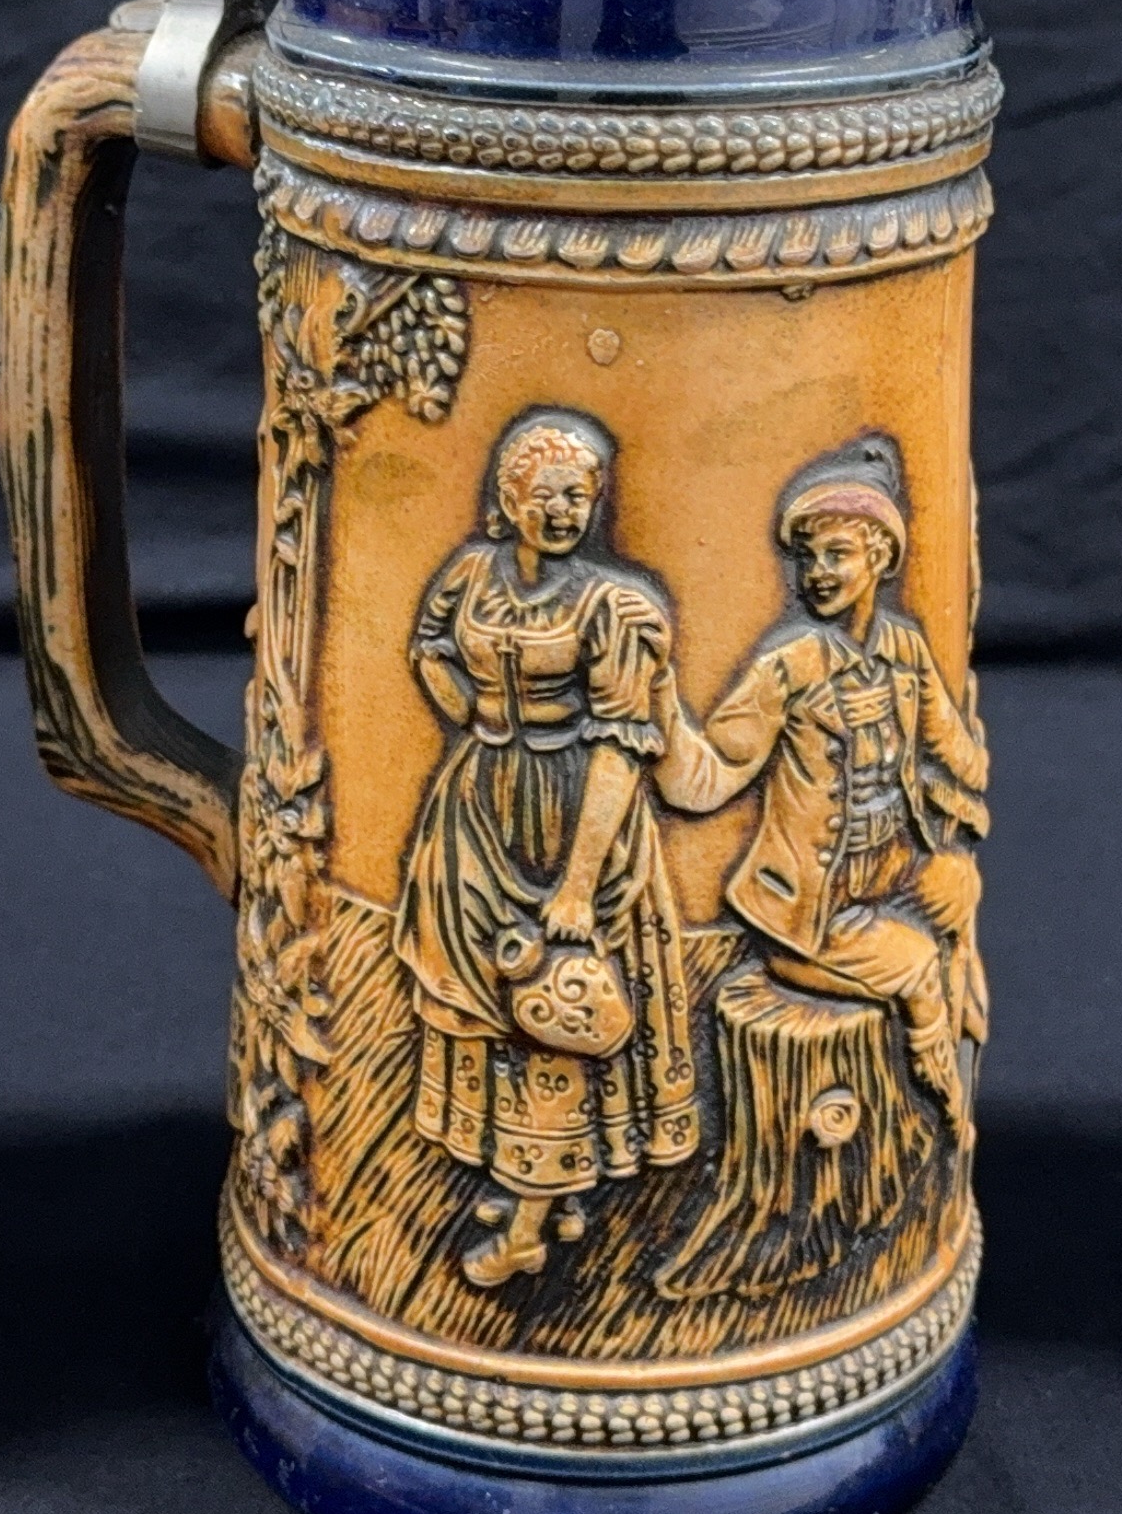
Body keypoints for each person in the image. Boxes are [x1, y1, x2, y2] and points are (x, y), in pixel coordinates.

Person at [394, 411, 701, 1289]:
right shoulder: (470, 574)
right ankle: (526, 1179)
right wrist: (469, 711)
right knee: (488, 1002)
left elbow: (620, 747)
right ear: (509, 498)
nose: (565, 511)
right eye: (548, 495)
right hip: (477, 811)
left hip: (576, 815)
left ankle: (529, 1227)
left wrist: (576, 883)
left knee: (561, 999)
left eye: (580, 497)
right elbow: (429, 644)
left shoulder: (613, 605)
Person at [654, 438, 989, 1137]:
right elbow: (702, 782)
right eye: (808, 558)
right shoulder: (791, 665)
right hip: (811, 906)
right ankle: (940, 1119)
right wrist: (656, 701)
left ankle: (958, 1058)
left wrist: (967, 787)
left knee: (958, 890)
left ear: (880, 559)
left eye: (837, 554)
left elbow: (953, 750)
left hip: (886, 873)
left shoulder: (903, 651)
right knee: (918, 965)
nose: (816, 574)